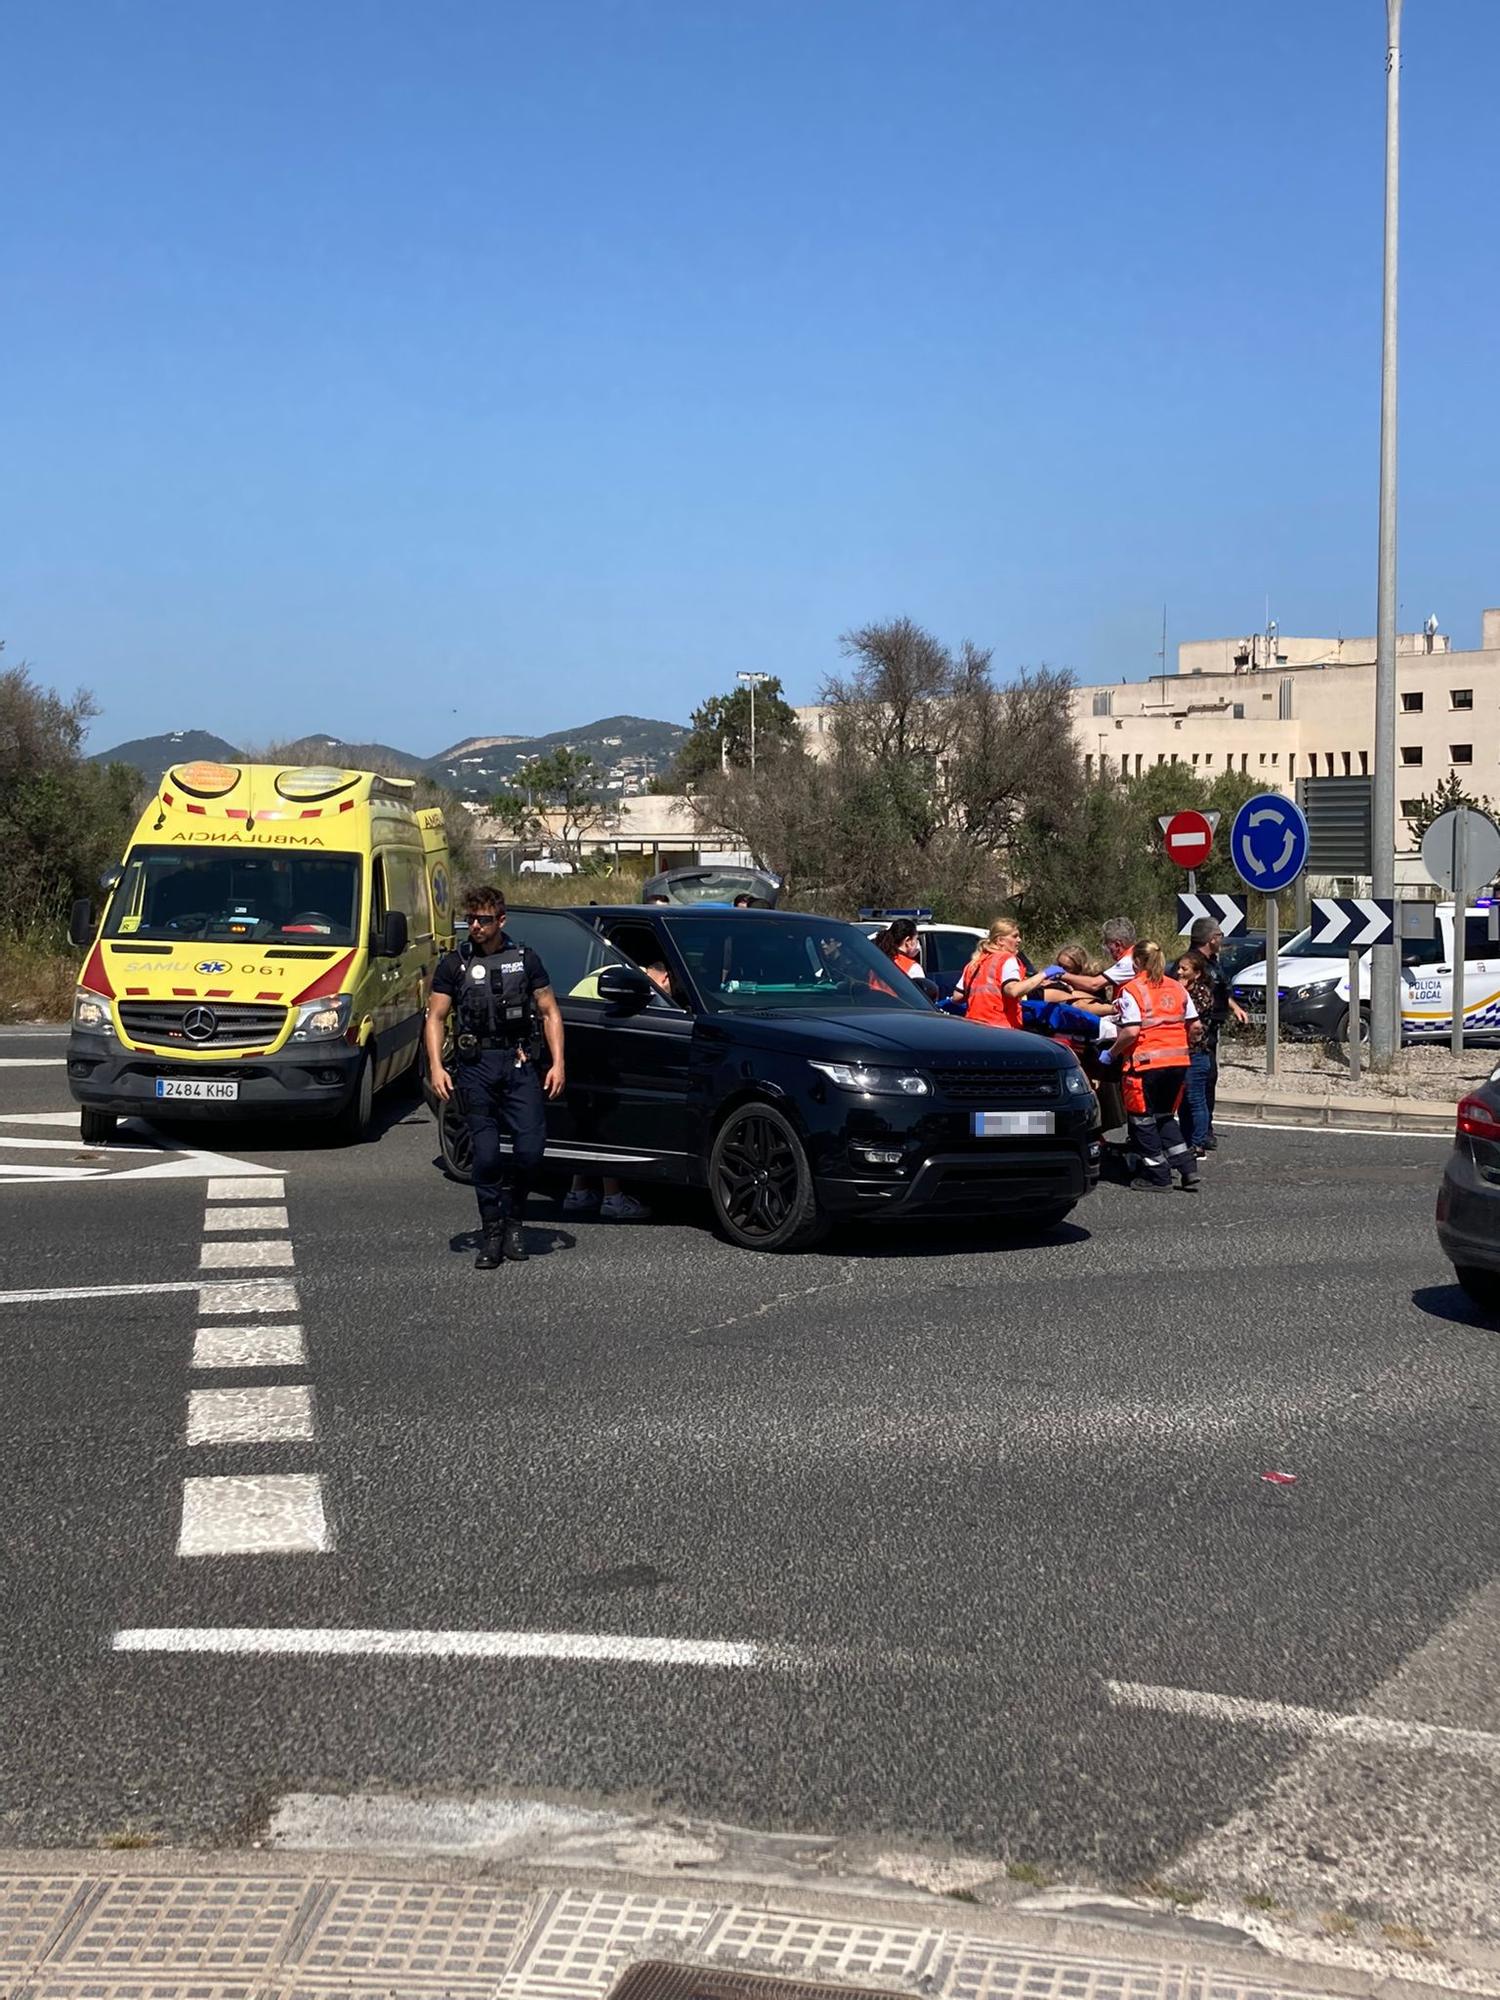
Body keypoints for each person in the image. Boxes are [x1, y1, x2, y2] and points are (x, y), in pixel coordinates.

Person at [425, 885, 566, 1269]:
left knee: (531, 1151)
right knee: (485, 1157)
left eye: (483, 920)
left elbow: (550, 1011)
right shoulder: (454, 964)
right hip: (476, 1068)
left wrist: (557, 1063)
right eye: (470, 919)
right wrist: (437, 1066)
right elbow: (436, 1018)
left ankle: (514, 1219)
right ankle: (491, 1230)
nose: (475, 926)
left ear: (501, 920)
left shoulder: (525, 959)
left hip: (519, 1063)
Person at [564, 961, 674, 1221]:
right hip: (586, 1049)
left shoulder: (618, 970)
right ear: (665, 977)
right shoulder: (635, 982)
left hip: (574, 1042)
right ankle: (613, 1197)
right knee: (606, 1124)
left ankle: (577, 1192)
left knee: (587, 1124)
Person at [1100, 939, 1200, 1193]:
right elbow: (1195, 1026)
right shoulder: (1177, 987)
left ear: (1136, 962)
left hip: (1145, 1065)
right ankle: (1187, 1169)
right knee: (1165, 1116)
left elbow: (1131, 1031)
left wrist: (1111, 1054)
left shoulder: (1133, 989)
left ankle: (1158, 1176)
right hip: (1178, 1063)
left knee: (1142, 1121)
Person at [1181, 917, 1248, 1152]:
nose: (1222, 939)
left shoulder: (1212, 963)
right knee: (1198, 1085)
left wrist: (1234, 1007)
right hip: (1198, 1036)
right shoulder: (1192, 965)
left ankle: (1201, 1130)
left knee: (1207, 1081)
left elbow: (1219, 992)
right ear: (1212, 939)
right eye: (1219, 935)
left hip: (1211, 1032)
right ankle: (1197, 1135)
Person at [954, 919, 1053, 1029]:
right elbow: (1012, 990)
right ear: (1000, 940)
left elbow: (957, 997)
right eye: (1015, 936)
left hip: (974, 1025)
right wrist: (1045, 973)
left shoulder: (974, 963)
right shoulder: (1007, 959)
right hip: (1001, 1027)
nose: (1019, 940)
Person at [1173, 948, 1216, 1157]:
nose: (1179, 972)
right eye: (1179, 968)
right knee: (1182, 1100)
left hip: (1197, 1053)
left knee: (1196, 1098)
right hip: (1179, 1052)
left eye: (1184, 969)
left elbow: (1185, 1016)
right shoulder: (1179, 989)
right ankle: (1185, 1139)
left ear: (1196, 973)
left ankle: (1198, 1142)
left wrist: (1180, 992)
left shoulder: (1201, 994)